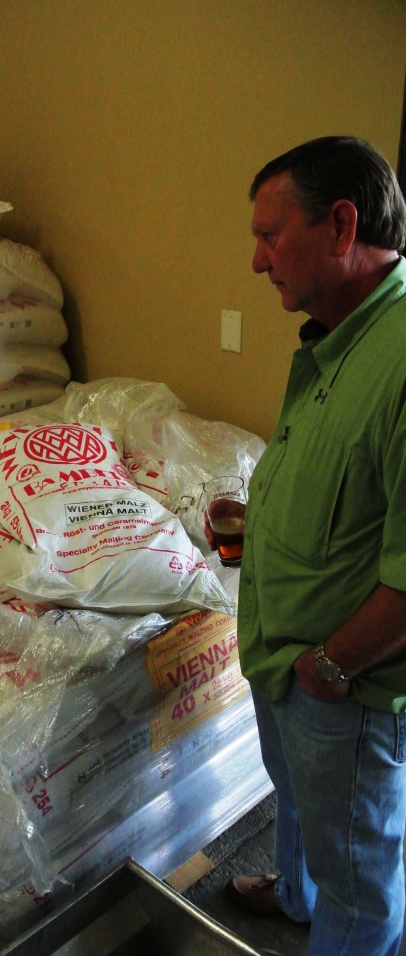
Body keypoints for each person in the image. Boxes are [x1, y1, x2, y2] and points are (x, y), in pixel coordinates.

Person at [209, 136, 406, 956]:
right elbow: (352, 492)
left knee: (358, 876)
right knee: (299, 808)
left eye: (270, 235)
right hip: (287, 661)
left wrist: (330, 666)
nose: (256, 261)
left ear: (341, 226)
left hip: (342, 687)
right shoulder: (339, 334)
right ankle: (296, 897)